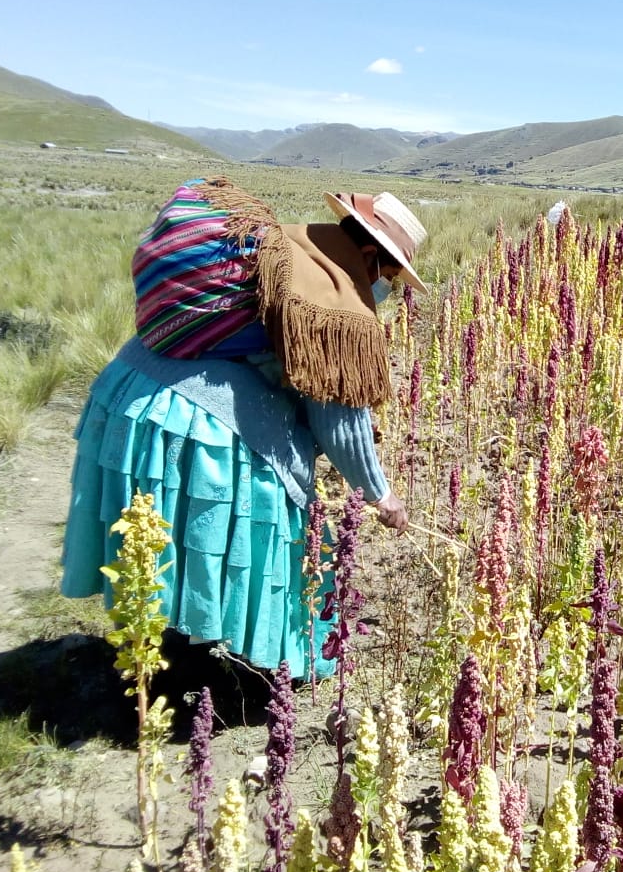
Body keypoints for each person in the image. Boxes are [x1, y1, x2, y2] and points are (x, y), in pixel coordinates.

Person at [60, 178, 427, 680]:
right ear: (369, 253)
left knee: (163, 547)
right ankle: (196, 677)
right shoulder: (334, 299)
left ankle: (164, 657)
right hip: (191, 417)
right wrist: (380, 494)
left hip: (130, 388)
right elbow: (339, 418)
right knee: (220, 532)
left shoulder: (293, 247)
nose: (389, 288)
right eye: (391, 274)